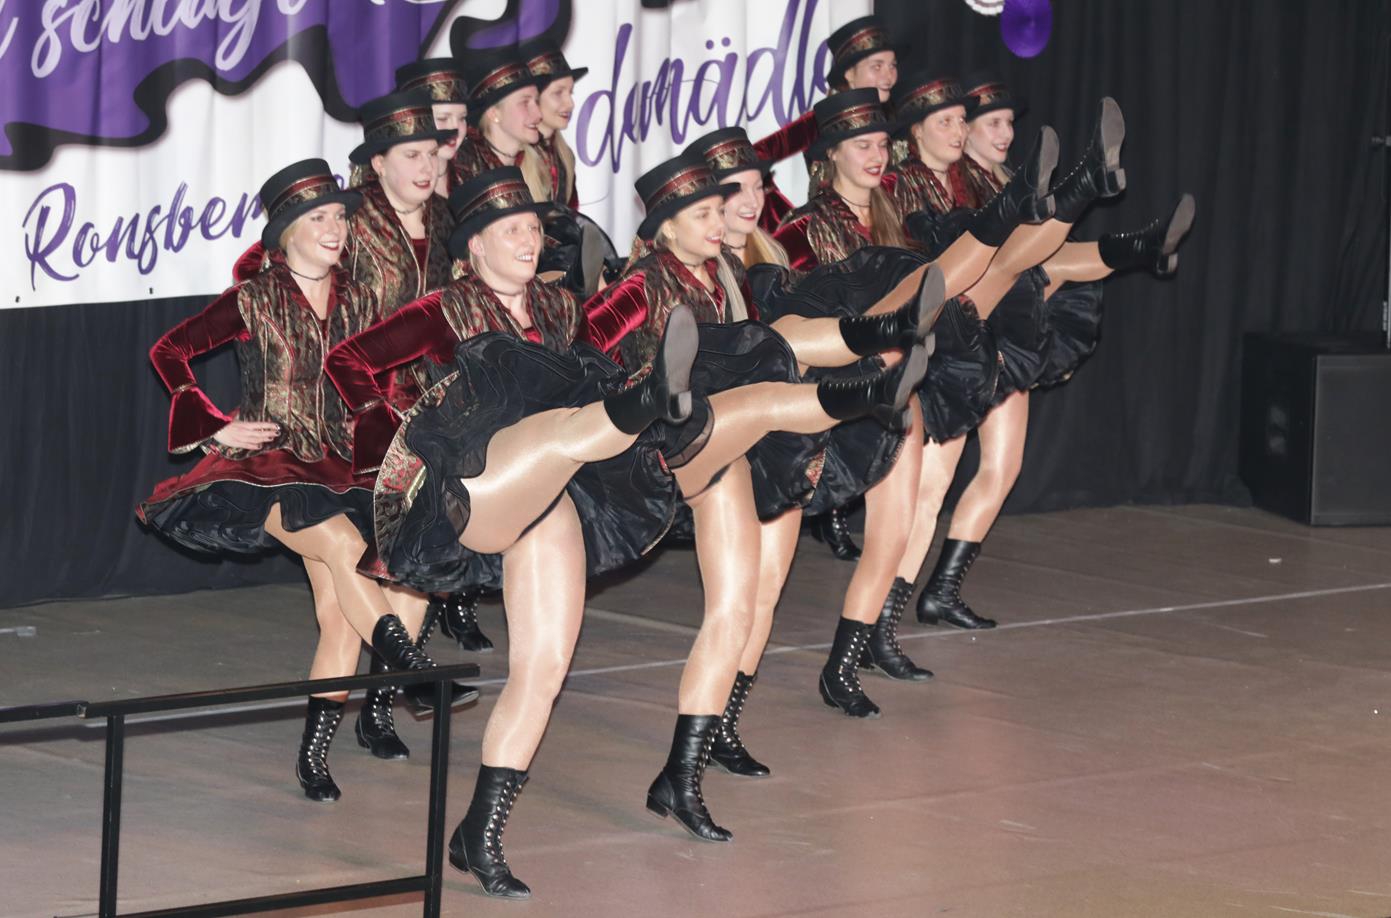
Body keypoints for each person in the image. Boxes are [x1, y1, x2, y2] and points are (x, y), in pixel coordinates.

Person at [583, 152, 932, 840]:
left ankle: (688, 766)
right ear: (665, 226)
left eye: (721, 211)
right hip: (665, 450)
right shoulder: (638, 285)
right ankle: (863, 388)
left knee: (742, 607)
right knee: (735, 601)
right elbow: (587, 347)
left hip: (730, 446)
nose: (719, 224)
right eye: (704, 214)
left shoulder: (724, 275)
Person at [137, 160, 455, 804]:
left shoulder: (360, 299)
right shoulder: (254, 298)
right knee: (344, 547)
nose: (336, 228)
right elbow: (169, 350)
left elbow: (397, 363)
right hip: (270, 469)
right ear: (287, 232)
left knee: (339, 618)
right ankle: (412, 669)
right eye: (320, 218)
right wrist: (214, 425)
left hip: (342, 466)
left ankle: (313, 755)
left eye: (340, 216)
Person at [889, 76, 1195, 630]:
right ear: (919, 132)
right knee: (931, 488)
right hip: (953, 341)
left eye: (1003, 122)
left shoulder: (983, 179)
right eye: (974, 122)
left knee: (1003, 467)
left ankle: (942, 591)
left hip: (1003, 336)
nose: (998, 132)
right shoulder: (908, 182)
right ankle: (880, 620)